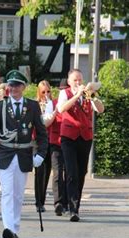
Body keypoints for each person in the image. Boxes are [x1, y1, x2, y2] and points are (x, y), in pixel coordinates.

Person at [0, 70, 48, 238]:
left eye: (17, 85)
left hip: (24, 154)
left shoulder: (33, 106)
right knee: (7, 192)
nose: (13, 88)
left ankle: (15, 227)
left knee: (18, 194)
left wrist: (41, 155)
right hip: (4, 153)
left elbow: (42, 133)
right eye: (11, 85)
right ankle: (8, 228)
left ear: (23, 87)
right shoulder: (0, 106)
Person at [57, 69, 104, 222]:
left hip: (85, 137)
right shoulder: (65, 93)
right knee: (71, 173)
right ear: (69, 82)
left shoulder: (88, 94)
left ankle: (75, 204)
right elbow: (61, 109)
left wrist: (92, 96)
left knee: (81, 172)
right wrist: (76, 95)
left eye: (80, 80)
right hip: (68, 137)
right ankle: (72, 208)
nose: (78, 83)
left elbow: (101, 109)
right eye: (75, 80)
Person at [33, 80, 56, 213]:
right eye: (43, 92)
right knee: (39, 171)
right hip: (38, 140)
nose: (46, 94)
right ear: (39, 92)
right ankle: (38, 202)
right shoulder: (35, 104)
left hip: (50, 139)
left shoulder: (53, 103)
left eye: (48, 91)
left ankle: (42, 201)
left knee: (47, 171)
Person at [50, 80, 69, 216]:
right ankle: (58, 203)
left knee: (69, 173)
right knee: (57, 173)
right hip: (55, 142)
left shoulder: (73, 102)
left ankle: (67, 203)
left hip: (69, 141)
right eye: (61, 89)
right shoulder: (53, 103)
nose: (63, 90)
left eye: (65, 88)